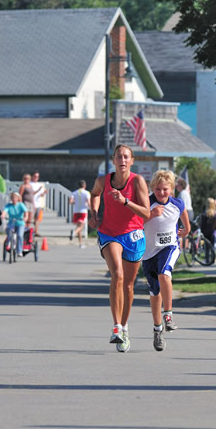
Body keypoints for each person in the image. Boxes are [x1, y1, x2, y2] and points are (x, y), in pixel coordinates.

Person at [89, 144, 150, 353]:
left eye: (126, 157)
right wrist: (94, 213)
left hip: (133, 235)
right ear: (113, 160)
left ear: (131, 161)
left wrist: (125, 202)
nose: (122, 160)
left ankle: (124, 327)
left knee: (129, 286)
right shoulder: (103, 181)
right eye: (118, 157)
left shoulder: (138, 182)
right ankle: (116, 327)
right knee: (117, 274)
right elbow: (95, 194)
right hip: (109, 233)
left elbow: (146, 213)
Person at [143, 170, 190, 351]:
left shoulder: (177, 203)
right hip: (149, 253)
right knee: (155, 294)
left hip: (169, 247)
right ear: (152, 189)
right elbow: (136, 222)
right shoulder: (147, 202)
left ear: (171, 189)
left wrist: (185, 230)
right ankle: (157, 329)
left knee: (165, 274)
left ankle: (168, 315)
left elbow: (186, 222)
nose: (161, 193)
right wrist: (151, 214)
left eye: (165, 189)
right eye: (158, 189)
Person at [2, 192, 27, 256]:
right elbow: (5, 211)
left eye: (15, 198)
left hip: (20, 223)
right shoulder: (8, 205)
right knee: (8, 230)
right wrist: (3, 215)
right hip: (11, 222)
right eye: (13, 198)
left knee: (20, 235)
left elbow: (26, 212)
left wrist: (25, 217)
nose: (14, 199)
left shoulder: (21, 205)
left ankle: (19, 251)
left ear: (18, 198)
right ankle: (9, 242)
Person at [69, 180, 90, 248]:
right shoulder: (86, 193)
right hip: (83, 211)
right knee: (81, 227)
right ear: (84, 185)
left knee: (78, 227)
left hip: (76, 211)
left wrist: (75, 202)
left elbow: (70, 201)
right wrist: (91, 208)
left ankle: (80, 244)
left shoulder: (74, 193)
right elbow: (88, 202)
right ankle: (74, 233)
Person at [30, 171, 48, 236]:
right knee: (30, 218)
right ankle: (28, 231)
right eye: (35, 176)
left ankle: (36, 231)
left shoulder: (38, 184)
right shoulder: (30, 184)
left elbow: (41, 195)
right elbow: (31, 194)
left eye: (37, 176)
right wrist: (38, 190)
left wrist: (44, 193)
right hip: (31, 203)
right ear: (32, 176)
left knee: (37, 218)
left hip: (38, 204)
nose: (36, 177)